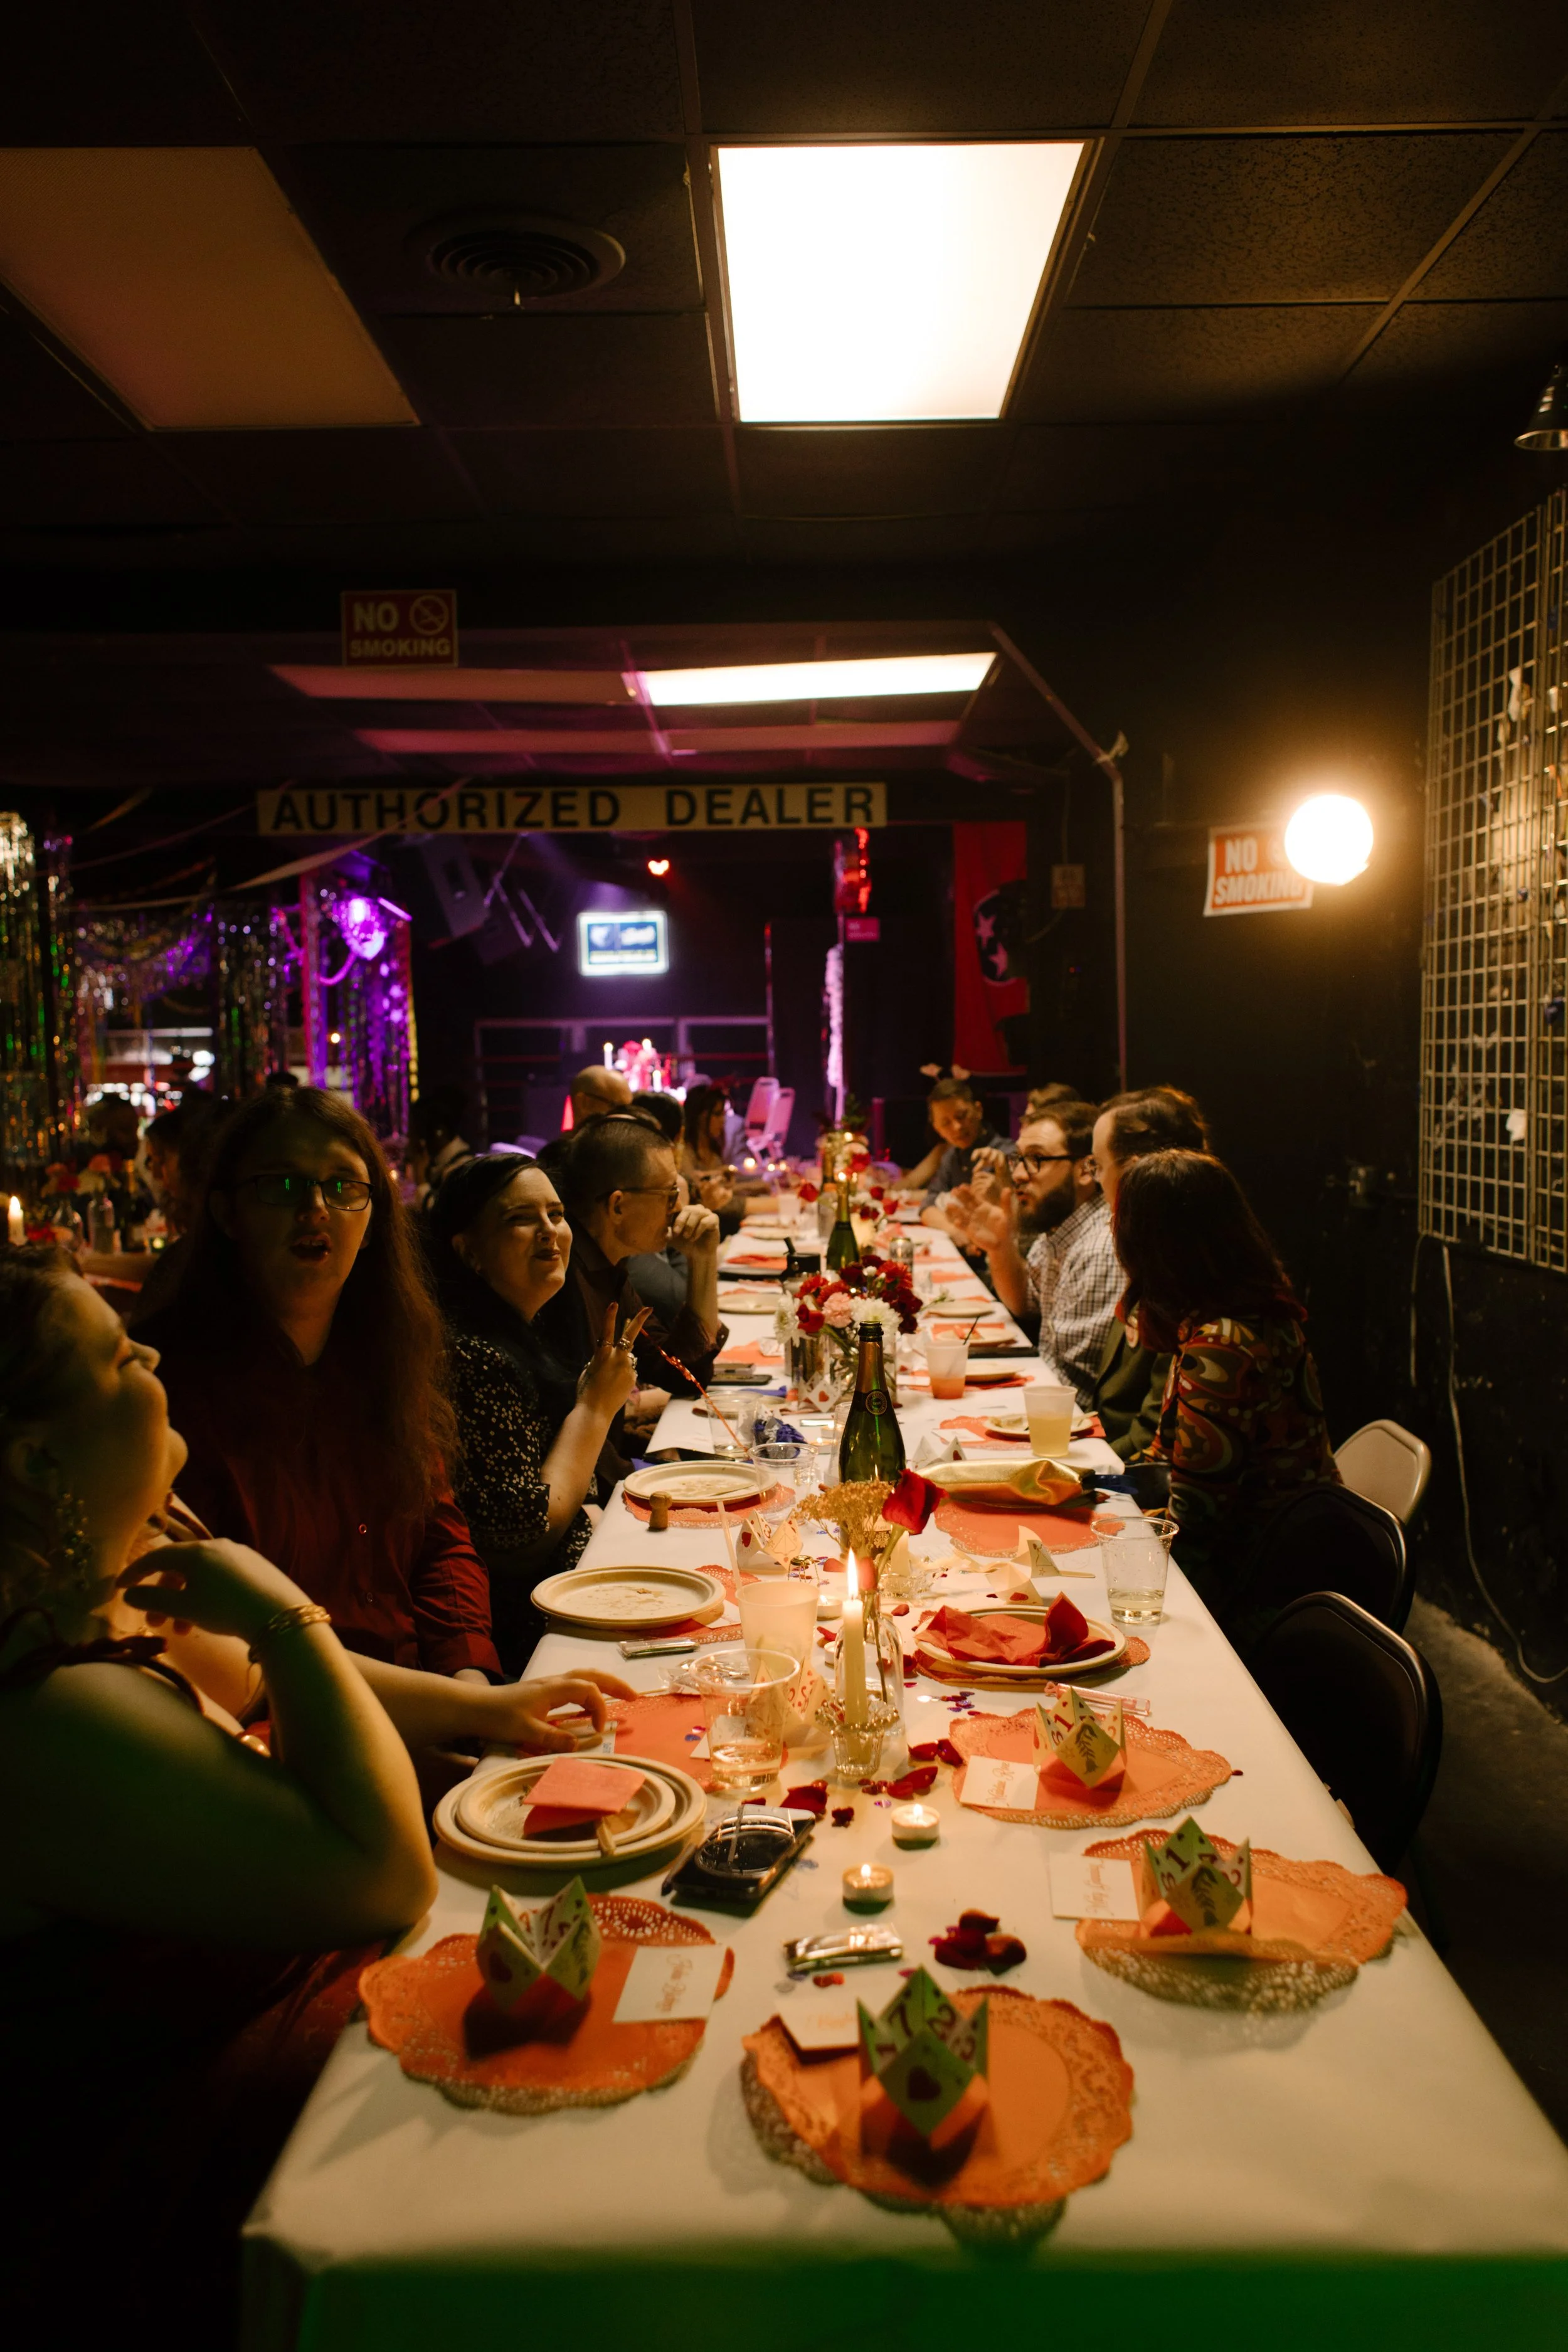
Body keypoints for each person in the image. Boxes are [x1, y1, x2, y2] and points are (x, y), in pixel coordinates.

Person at [0, 1246, 625, 2341]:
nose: (147, 1353)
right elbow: (381, 1876)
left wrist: (486, 1710)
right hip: (199, 2177)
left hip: (294, 2040)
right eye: (112, 1358)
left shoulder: (97, 1592)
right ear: (35, 1464)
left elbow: (252, 1681)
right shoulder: (46, 1717)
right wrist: (288, 1611)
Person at [139, 1088, 503, 1685]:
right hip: (282, 1731)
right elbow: (219, 1640)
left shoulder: (388, 1352)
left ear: (375, 1215)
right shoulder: (171, 1389)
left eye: (343, 1187)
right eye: (282, 1186)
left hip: (437, 1700)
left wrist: (468, 1673)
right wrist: (464, 1710)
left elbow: (439, 1540)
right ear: (228, 1214)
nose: (315, 1208)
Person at [432, 1153, 647, 1673]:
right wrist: (596, 1407)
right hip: (539, 1636)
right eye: (521, 1219)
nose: (550, 1232)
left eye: (556, 1213)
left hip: (577, 1589)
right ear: (469, 1252)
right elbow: (523, 1536)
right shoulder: (473, 1355)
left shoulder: (529, 1325)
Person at [1111, 1150, 1340, 1616]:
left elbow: (1194, 1528)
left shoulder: (1220, 1349)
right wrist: (1090, 1486)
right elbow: (1164, 1460)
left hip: (1262, 1585)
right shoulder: (1246, 1311)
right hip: (1302, 1551)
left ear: (1148, 1246)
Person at [535, 1113, 723, 1473]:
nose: (678, 1209)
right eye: (669, 1195)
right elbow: (575, 1437)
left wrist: (704, 1259)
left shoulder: (608, 1268)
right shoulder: (564, 1283)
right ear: (618, 1205)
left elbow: (683, 1370)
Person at [950, 1098, 1120, 1400]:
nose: (1017, 1174)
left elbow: (1073, 1384)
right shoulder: (1060, 1228)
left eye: (1037, 1159)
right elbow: (1026, 1305)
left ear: (1085, 1170)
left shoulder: (1099, 1249)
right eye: (1018, 1159)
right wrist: (1000, 1248)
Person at [1086, 1086, 1212, 1458]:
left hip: (1150, 1490)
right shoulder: (1156, 1250)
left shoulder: (1186, 1275)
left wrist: (1079, 1475)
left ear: (1134, 1172)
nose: (1095, 1180)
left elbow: (1154, 1440)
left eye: (1098, 1165)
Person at [918, 1076, 1005, 1236]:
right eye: (946, 1123)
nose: (957, 1127)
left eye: (961, 1116)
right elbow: (928, 1204)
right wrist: (956, 1234)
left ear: (978, 1110)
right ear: (937, 1129)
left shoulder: (1004, 1153)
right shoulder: (951, 1156)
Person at [409, 1084, 472, 1210]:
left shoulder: (462, 1168)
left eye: (416, 1131)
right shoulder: (440, 1165)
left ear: (439, 1132)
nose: (411, 1139)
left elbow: (446, 1214)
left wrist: (422, 1183)